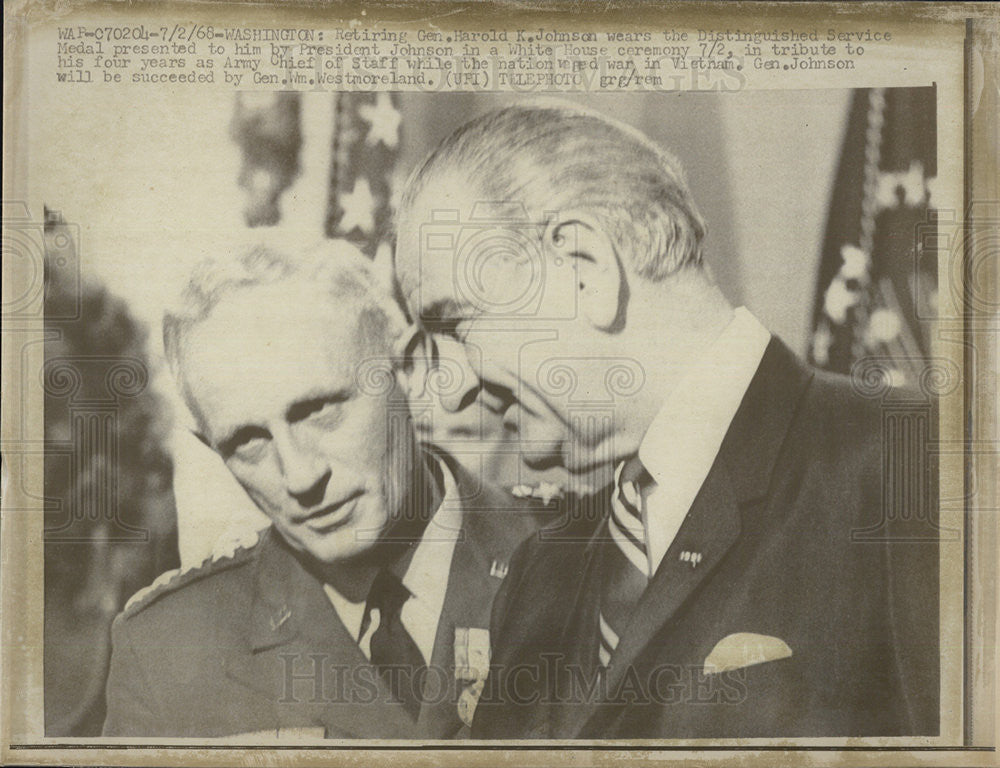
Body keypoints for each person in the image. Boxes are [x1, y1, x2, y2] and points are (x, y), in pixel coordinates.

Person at [393, 101, 940, 738]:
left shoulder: (916, 466)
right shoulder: (541, 573)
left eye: (455, 326)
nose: (450, 389)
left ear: (583, 265)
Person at [103, 240, 554, 738]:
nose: (299, 477)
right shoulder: (168, 654)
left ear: (412, 369)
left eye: (319, 410)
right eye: (247, 442)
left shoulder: (586, 558)